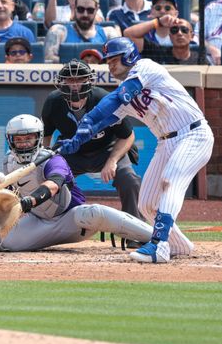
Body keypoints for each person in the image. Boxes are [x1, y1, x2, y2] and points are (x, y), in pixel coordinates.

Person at [57, 39, 213, 263]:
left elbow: (117, 98)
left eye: (114, 58)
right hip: (166, 141)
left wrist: (88, 119)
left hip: (193, 134)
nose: (110, 65)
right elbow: (105, 121)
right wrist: (78, 138)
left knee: (170, 182)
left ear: (129, 55)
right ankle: (179, 245)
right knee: (146, 202)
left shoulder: (145, 68)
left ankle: (159, 246)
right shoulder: (125, 91)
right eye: (107, 61)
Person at [0, 114, 153, 252]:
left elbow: (53, 185)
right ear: (11, 141)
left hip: (71, 220)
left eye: (29, 138)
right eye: (19, 139)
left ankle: (155, 237)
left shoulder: (52, 159)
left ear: (38, 138)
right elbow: (12, 193)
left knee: (94, 212)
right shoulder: (8, 162)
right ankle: (41, 241)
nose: (24, 143)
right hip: (39, 221)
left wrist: (28, 202)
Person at [41, 60, 143, 220]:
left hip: (107, 150)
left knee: (129, 179)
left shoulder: (104, 99)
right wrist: (44, 162)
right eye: (69, 79)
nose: (74, 84)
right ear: (61, 82)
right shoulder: (53, 102)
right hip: (71, 152)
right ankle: (54, 222)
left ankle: (134, 226)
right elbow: (46, 136)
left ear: (88, 80)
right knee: (47, 177)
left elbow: (128, 135)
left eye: (79, 79)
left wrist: (112, 161)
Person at [45, 0, 113, 63]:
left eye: (90, 10)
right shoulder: (59, 32)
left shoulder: (108, 34)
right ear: (74, 8)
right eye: (81, 9)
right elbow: (48, 59)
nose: (85, 14)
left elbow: (116, 60)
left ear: (97, 9)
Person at [125, 18, 200, 65]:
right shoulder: (158, 53)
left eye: (184, 30)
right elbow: (129, 34)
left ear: (192, 36)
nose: (179, 33)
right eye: (174, 30)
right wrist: (158, 22)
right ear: (170, 36)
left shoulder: (199, 58)